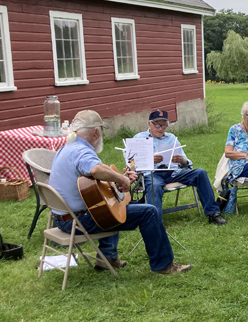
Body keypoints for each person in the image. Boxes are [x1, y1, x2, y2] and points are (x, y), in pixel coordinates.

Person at [48, 110, 191, 275]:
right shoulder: (82, 151)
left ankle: (106, 257)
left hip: (62, 218)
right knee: (149, 212)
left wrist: (118, 178)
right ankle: (164, 265)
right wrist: (121, 179)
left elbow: (91, 183)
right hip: (79, 221)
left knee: (113, 205)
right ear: (96, 132)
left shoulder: (68, 148)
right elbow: (95, 169)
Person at [134, 110, 227, 225]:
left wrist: (181, 161)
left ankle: (214, 213)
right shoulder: (139, 138)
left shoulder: (171, 138)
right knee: (155, 185)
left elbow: (186, 163)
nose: (161, 128)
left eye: (164, 125)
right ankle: (155, 222)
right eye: (157, 125)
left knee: (200, 173)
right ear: (149, 124)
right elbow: (132, 164)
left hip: (173, 172)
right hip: (153, 174)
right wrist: (149, 160)